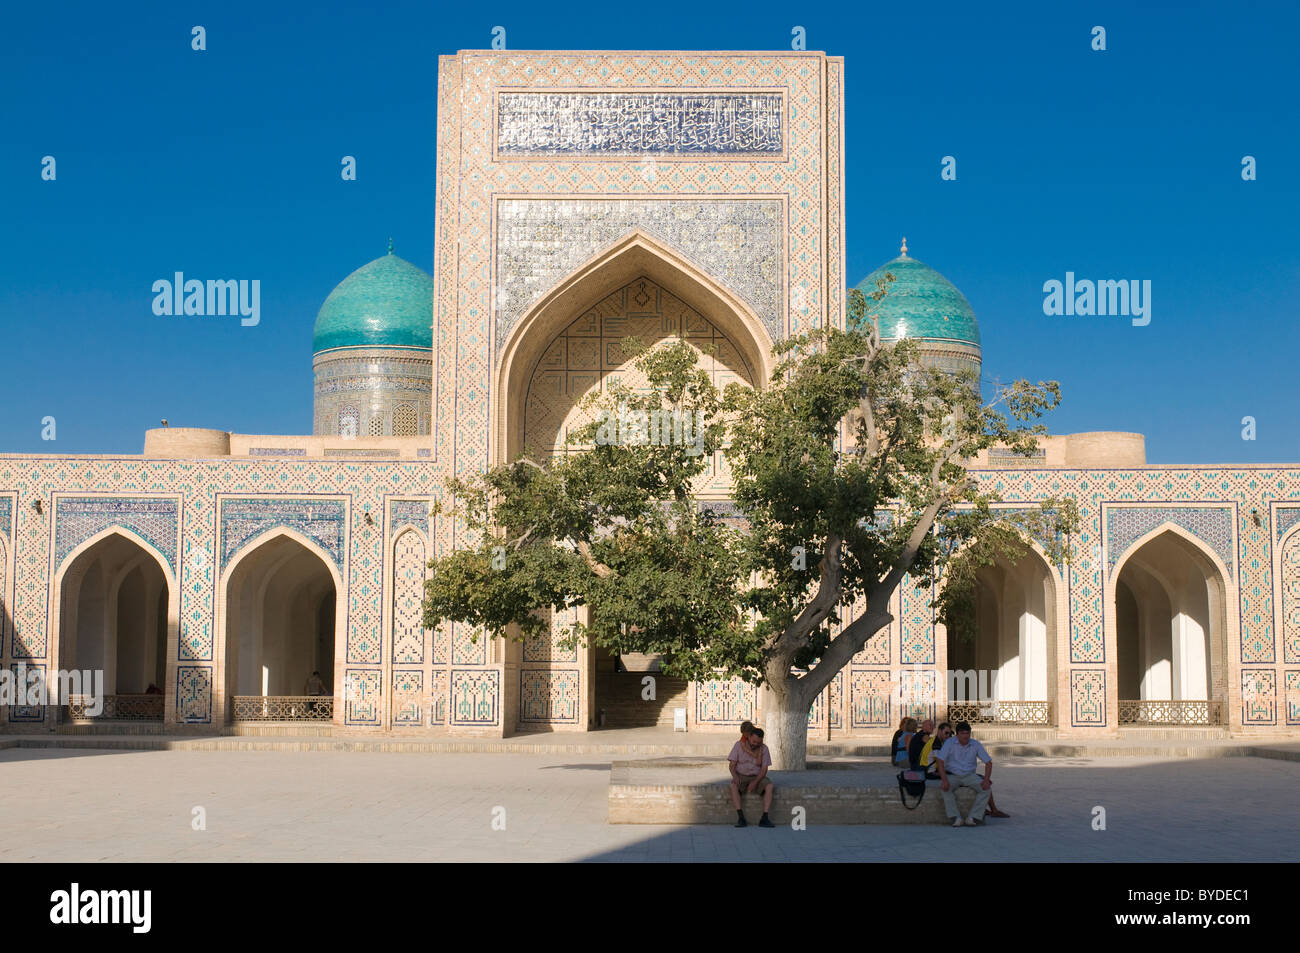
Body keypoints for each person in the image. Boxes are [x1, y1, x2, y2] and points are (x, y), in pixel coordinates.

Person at [933, 720, 994, 827]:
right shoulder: (950, 743)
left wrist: (985, 780)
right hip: (953, 774)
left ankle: (973, 817)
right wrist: (944, 780)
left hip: (970, 775)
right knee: (945, 788)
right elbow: (940, 761)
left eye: (967, 733)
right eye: (962, 733)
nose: (965, 736)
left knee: (986, 789)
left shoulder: (975, 744)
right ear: (957, 734)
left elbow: (988, 763)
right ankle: (956, 817)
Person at [728, 726, 775, 828]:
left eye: (758, 742)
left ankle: (765, 818)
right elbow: (732, 765)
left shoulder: (764, 748)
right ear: (749, 737)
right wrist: (735, 777)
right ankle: (741, 818)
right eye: (753, 741)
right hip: (741, 775)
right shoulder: (738, 745)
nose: (755, 744)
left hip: (757, 776)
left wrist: (756, 782)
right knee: (733, 786)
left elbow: (764, 770)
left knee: (769, 786)